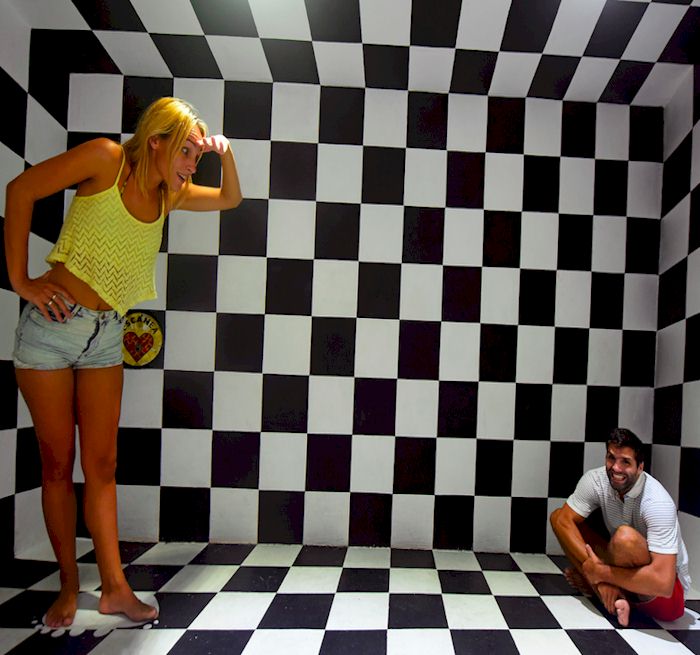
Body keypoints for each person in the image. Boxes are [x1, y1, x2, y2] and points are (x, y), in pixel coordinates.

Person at [4, 97, 242, 628]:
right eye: (185, 152)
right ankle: (69, 586)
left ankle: (114, 588)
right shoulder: (106, 159)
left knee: (104, 466)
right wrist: (21, 280)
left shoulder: (169, 196)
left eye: (196, 157)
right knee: (58, 465)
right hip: (50, 333)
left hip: (106, 338)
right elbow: (20, 190)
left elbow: (230, 198)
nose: (191, 165)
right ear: (155, 140)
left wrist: (223, 153)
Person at [550, 428, 691, 626]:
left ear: (640, 467)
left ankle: (601, 587)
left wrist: (600, 574)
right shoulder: (596, 480)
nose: (616, 468)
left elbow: (664, 583)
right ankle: (610, 593)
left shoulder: (657, 501)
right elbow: (563, 521)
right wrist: (597, 572)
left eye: (625, 462)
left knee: (625, 538)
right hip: (626, 568)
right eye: (611, 458)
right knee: (559, 517)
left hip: (667, 597)